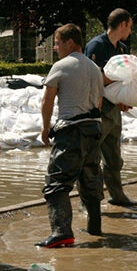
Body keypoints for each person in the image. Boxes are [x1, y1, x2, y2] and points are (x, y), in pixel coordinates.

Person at [35, 23, 104, 248]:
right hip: (94, 131)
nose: (55, 48)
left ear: (69, 42)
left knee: (56, 183)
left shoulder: (61, 66)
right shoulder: (95, 68)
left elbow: (48, 100)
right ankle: (95, 229)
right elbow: (99, 102)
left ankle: (61, 232)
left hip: (71, 132)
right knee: (91, 182)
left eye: (57, 43)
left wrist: (46, 128)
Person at [84, 9, 137, 207]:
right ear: (122, 24)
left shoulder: (122, 49)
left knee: (114, 156)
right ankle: (89, 200)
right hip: (99, 110)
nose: (131, 31)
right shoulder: (96, 46)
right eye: (130, 27)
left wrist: (124, 97)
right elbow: (94, 78)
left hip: (115, 111)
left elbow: (121, 81)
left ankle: (117, 195)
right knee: (92, 157)